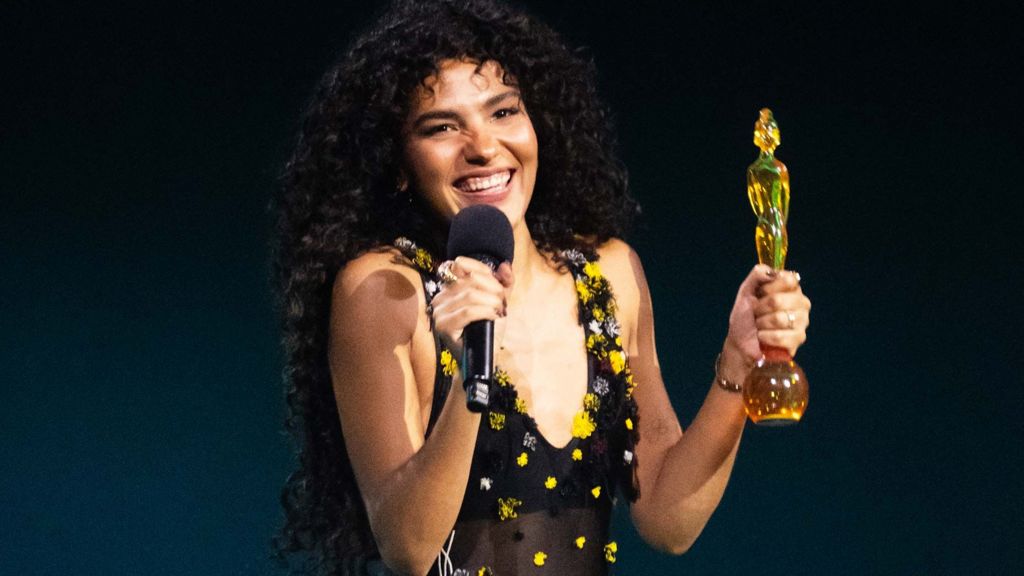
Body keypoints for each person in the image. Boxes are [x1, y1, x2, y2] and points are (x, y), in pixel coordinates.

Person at [272, 1, 811, 574]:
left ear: (539, 126)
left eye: (504, 112)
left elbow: (667, 521)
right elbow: (408, 547)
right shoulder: (385, 291)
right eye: (442, 127)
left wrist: (739, 361)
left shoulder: (610, 275)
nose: (483, 146)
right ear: (398, 162)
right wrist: (470, 378)